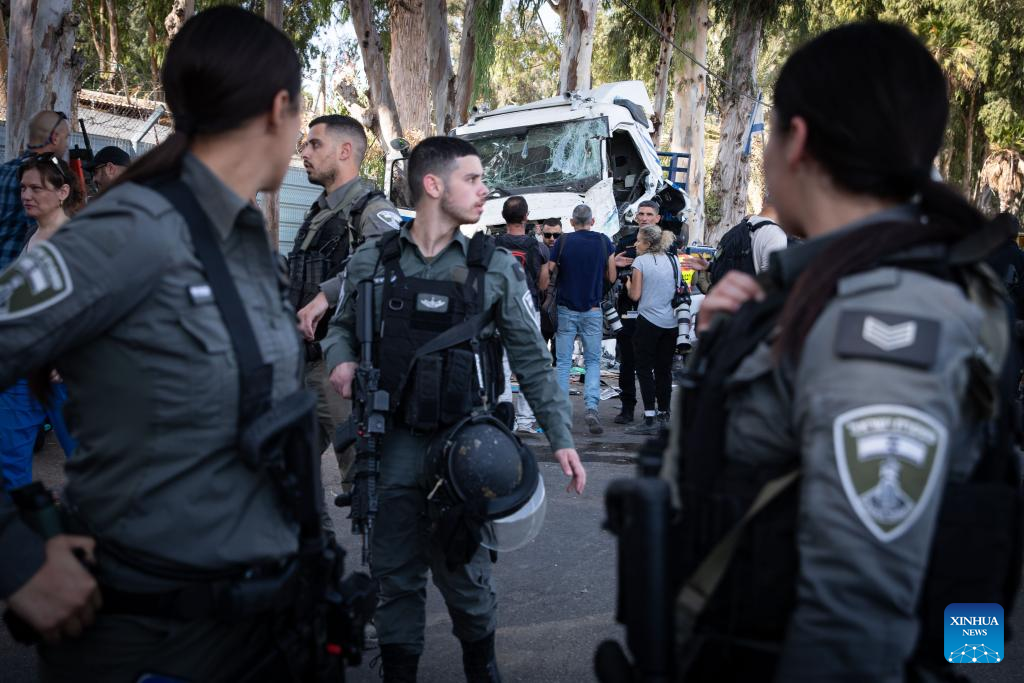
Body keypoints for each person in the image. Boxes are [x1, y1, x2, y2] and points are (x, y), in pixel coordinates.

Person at [663, 22, 1021, 681]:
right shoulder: (841, 289)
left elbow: (855, 621)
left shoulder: (883, 319)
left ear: (796, 140)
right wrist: (728, 346)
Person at [0, 9, 340, 680]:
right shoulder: (127, 232)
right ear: (279, 109)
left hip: (261, 630)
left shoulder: (247, 242)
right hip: (151, 643)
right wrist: (16, 554)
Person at [322, 136, 586, 682]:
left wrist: (561, 436)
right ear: (433, 185)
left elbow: (532, 360)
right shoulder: (373, 259)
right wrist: (341, 360)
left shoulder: (494, 267)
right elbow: (341, 327)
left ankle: (481, 667)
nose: (484, 190)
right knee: (395, 579)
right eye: (472, 179)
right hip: (390, 444)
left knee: (465, 579)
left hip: (464, 449)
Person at [288, 114, 401, 483]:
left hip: (340, 365)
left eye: (314, 144)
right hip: (304, 362)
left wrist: (327, 295)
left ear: (345, 151)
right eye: (305, 144)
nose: (304, 152)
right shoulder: (321, 211)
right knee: (288, 473)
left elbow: (388, 262)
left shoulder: (372, 209)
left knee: (363, 475)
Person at [0, 154, 84, 491]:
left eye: (37, 188)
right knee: (9, 461)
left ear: (62, 192)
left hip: (65, 374)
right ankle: (20, 521)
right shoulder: (32, 235)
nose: (26, 195)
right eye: (23, 188)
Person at [547, 204, 617, 434]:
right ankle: (591, 408)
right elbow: (612, 276)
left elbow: (550, 269)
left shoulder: (563, 241)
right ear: (592, 221)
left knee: (563, 362)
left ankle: (561, 412)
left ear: (572, 221)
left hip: (566, 308)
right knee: (593, 361)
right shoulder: (604, 242)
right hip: (593, 309)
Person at [495, 196, 549, 432]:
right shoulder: (539, 247)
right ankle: (526, 421)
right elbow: (543, 283)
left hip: (501, 310)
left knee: (502, 367)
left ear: (503, 217)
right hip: (528, 310)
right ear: (527, 217)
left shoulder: (492, 244)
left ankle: (505, 420)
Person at [622, 224, 677, 436]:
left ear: (647, 243)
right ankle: (664, 415)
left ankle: (650, 417)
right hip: (671, 323)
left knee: (644, 369)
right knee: (664, 370)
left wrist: (628, 285)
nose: (635, 244)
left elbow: (635, 295)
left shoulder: (640, 262)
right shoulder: (673, 260)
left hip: (648, 321)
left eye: (638, 240)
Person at [611, 200, 662, 424]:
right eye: (641, 214)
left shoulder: (666, 244)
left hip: (658, 310)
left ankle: (657, 409)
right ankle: (627, 407)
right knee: (628, 360)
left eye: (649, 214)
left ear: (657, 218)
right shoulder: (625, 242)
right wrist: (614, 263)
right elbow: (610, 275)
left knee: (657, 362)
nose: (644, 218)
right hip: (628, 308)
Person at [0, 111, 71, 270]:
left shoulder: (3, 170)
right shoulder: (45, 180)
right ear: (55, 138)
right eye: (66, 137)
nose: (67, 145)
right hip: (19, 274)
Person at [538, 217, 562, 348]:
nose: (552, 238)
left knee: (559, 356)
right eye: (548, 235)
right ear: (542, 234)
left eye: (556, 235)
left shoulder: (566, 251)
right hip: (539, 311)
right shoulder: (535, 251)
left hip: (561, 312)